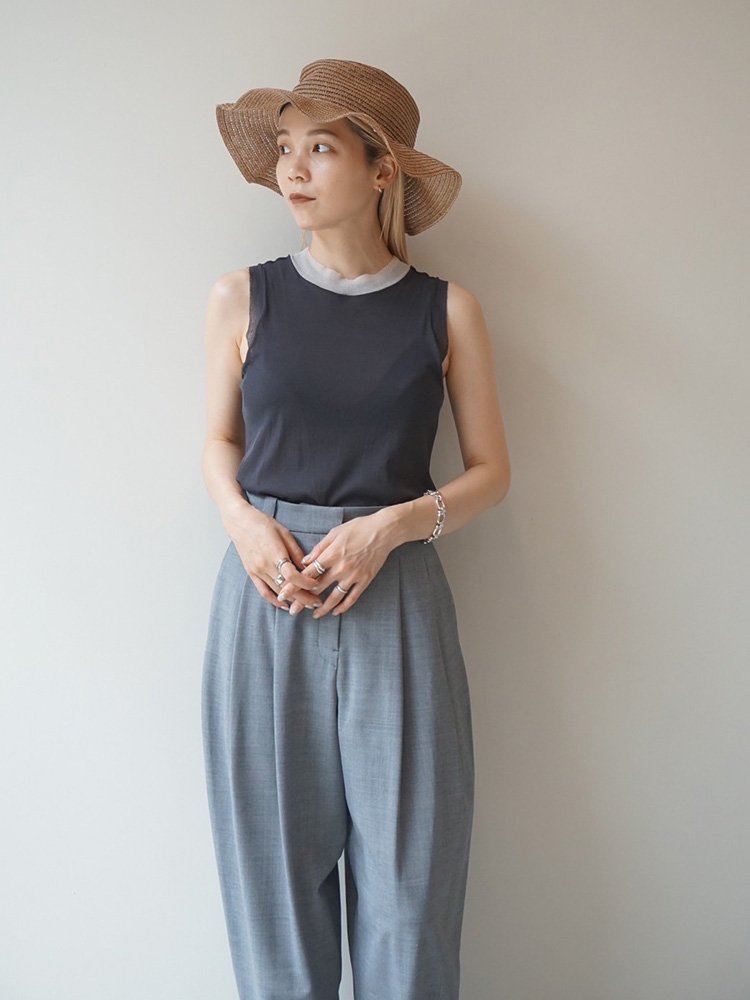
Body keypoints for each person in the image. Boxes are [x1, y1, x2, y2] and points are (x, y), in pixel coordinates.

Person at [201, 58, 511, 1000]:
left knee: (412, 893)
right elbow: (218, 442)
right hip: (268, 593)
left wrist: (395, 526)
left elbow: (492, 472)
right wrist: (246, 526)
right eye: (285, 148)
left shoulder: (445, 309)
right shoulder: (242, 296)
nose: (293, 169)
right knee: (274, 889)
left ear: (384, 172)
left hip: (398, 595)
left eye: (321, 148)